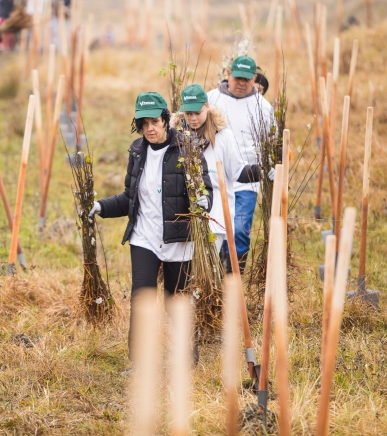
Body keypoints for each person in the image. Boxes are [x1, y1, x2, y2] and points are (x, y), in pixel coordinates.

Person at [88, 92, 213, 364]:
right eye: (144, 123)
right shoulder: (137, 151)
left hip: (179, 241)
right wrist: (101, 207)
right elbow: (129, 198)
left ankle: (187, 356)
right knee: (141, 300)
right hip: (144, 237)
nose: (150, 129)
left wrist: (204, 201)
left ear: (166, 120)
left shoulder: (187, 149)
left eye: (155, 121)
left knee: (175, 303)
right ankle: (138, 362)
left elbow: (206, 191)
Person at [175, 84, 270, 272]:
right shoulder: (176, 137)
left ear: (207, 107)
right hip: (182, 212)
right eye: (188, 114)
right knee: (184, 272)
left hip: (215, 212)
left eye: (198, 112)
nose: (193, 118)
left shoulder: (223, 136)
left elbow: (237, 172)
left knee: (207, 270)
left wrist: (265, 171)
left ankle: (213, 298)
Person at [207, 55, 275, 273]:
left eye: (247, 79)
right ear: (228, 75)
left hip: (247, 179)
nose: (242, 83)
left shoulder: (262, 107)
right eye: (238, 78)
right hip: (216, 179)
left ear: (255, 78)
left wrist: (272, 165)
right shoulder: (212, 100)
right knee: (216, 228)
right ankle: (214, 274)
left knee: (239, 230)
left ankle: (234, 276)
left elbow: (270, 144)